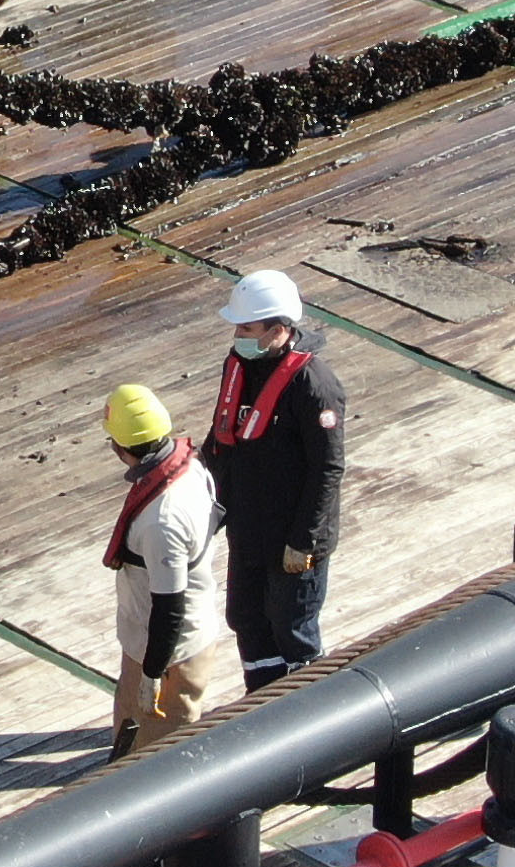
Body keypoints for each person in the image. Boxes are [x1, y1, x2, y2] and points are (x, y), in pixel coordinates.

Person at [203, 271, 347, 692]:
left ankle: (308, 704)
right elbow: (221, 439)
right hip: (249, 527)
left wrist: (304, 540)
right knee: (246, 617)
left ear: (278, 330)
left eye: (247, 329)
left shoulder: (314, 385)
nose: (237, 336)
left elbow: (328, 468)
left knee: (292, 627)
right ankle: (261, 695)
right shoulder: (239, 367)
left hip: (293, 538)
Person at [101, 382, 233, 759]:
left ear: (121, 448)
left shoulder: (162, 521)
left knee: (163, 750)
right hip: (149, 642)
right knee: (129, 733)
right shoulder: (188, 465)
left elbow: (170, 607)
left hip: (171, 654)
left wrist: (152, 673)